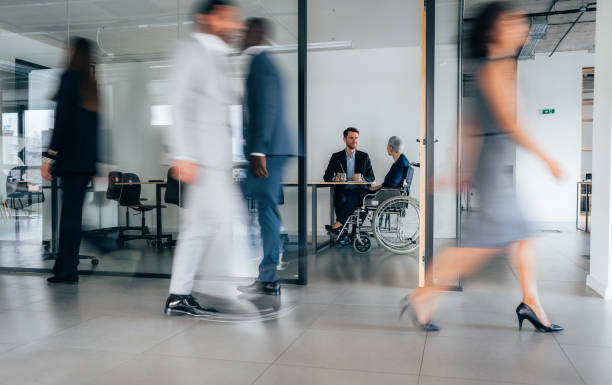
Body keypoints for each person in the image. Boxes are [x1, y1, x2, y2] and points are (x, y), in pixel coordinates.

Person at [401, 2, 564, 332]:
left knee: (522, 235)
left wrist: (462, 170)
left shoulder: (497, 68)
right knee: (479, 246)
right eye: (515, 22)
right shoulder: (493, 69)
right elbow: (508, 123)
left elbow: (470, 127)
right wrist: (547, 158)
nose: (524, 27)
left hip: (495, 164)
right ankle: (422, 294)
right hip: (495, 167)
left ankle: (530, 301)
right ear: (495, 29)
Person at [163, 0, 244, 316]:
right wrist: (182, 153)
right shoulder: (191, 51)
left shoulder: (220, 56)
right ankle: (225, 291)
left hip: (216, 160)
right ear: (206, 18)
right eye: (227, 18)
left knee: (198, 229)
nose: (233, 24)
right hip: (202, 158)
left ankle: (178, 296)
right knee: (227, 219)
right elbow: (175, 101)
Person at [237, 18, 293, 296]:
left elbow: (267, 108)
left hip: (268, 151)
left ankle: (270, 274)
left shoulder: (260, 63)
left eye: (245, 32)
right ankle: (269, 277)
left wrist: (258, 150)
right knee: (266, 211)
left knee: (231, 196)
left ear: (256, 34)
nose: (240, 36)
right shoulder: (263, 63)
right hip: (273, 150)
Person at [41, 37, 99, 284]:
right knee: (73, 217)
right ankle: (66, 267)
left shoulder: (69, 79)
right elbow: (94, 129)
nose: (64, 51)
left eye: (68, 48)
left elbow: (61, 123)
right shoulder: (90, 84)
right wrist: (95, 163)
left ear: (74, 53)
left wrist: (49, 156)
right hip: (85, 163)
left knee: (70, 218)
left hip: (70, 161)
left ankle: (67, 270)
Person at [326, 136, 410, 232]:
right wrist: (377, 187)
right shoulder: (402, 161)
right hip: (386, 192)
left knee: (356, 193)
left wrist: (375, 186)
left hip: (386, 195)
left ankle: (340, 224)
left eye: (387, 146)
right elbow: (392, 182)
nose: (386, 148)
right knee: (355, 193)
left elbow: (392, 183)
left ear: (391, 148)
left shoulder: (400, 163)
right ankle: (343, 227)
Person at [323, 127, 375, 220]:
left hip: (359, 191)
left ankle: (355, 231)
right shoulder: (336, 157)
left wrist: (362, 178)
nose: (354, 141)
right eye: (351, 138)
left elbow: (371, 177)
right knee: (341, 200)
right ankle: (343, 230)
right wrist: (335, 178)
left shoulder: (364, 157)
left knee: (363, 201)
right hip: (343, 191)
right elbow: (326, 177)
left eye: (356, 138)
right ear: (344, 139)